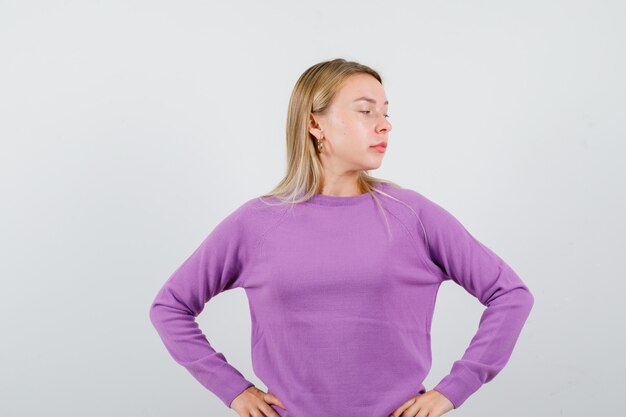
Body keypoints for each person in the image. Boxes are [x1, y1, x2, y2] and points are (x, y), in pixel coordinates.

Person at [149, 58, 534, 417]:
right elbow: (170, 306)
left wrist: (455, 388)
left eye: (386, 112)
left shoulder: (411, 214)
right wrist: (233, 389)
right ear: (315, 124)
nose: (384, 124)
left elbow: (510, 294)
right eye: (366, 111)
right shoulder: (257, 222)